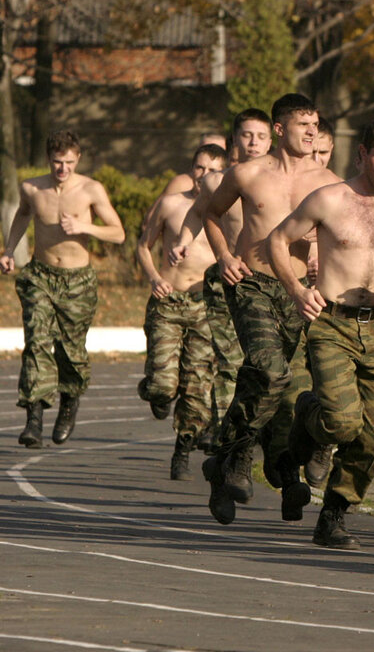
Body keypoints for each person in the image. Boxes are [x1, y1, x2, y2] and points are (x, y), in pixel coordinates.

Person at [271, 117, 374, 549]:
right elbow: (277, 241)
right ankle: (307, 416)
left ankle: (335, 514)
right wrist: (296, 290)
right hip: (332, 324)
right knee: (341, 422)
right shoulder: (329, 199)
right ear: (362, 154)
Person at [199, 93, 341, 526]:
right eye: (303, 125)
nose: (311, 132)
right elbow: (210, 213)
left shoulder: (328, 181)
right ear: (280, 129)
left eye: (315, 125)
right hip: (253, 285)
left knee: (286, 387)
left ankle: (227, 458)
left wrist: (321, 256)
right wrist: (224, 255)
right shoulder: (247, 173)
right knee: (268, 368)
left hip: (301, 292)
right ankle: (241, 454)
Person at [2, 130, 126, 447]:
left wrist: (84, 226)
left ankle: (69, 403)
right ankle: (34, 418)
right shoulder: (32, 187)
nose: (63, 169)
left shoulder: (90, 189)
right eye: (58, 162)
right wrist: (8, 250)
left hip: (77, 280)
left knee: (71, 352)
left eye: (69, 162)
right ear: (49, 159)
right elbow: (23, 215)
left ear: (78, 159)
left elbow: (118, 234)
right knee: (37, 341)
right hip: (41, 275)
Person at [170, 109, 273, 453]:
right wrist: (184, 242)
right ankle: (224, 434)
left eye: (261, 136)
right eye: (246, 135)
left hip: (271, 282)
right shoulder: (217, 181)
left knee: (265, 367)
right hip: (227, 279)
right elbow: (199, 214)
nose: (254, 142)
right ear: (234, 141)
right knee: (229, 360)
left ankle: (255, 433)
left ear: (272, 139)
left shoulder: (280, 181)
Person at [135, 144, 227, 479]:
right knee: (163, 384)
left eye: (213, 170)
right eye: (199, 168)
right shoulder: (171, 204)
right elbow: (143, 246)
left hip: (205, 305)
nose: (204, 175)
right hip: (168, 301)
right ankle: (156, 392)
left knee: (197, 384)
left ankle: (183, 448)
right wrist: (155, 277)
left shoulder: (228, 212)